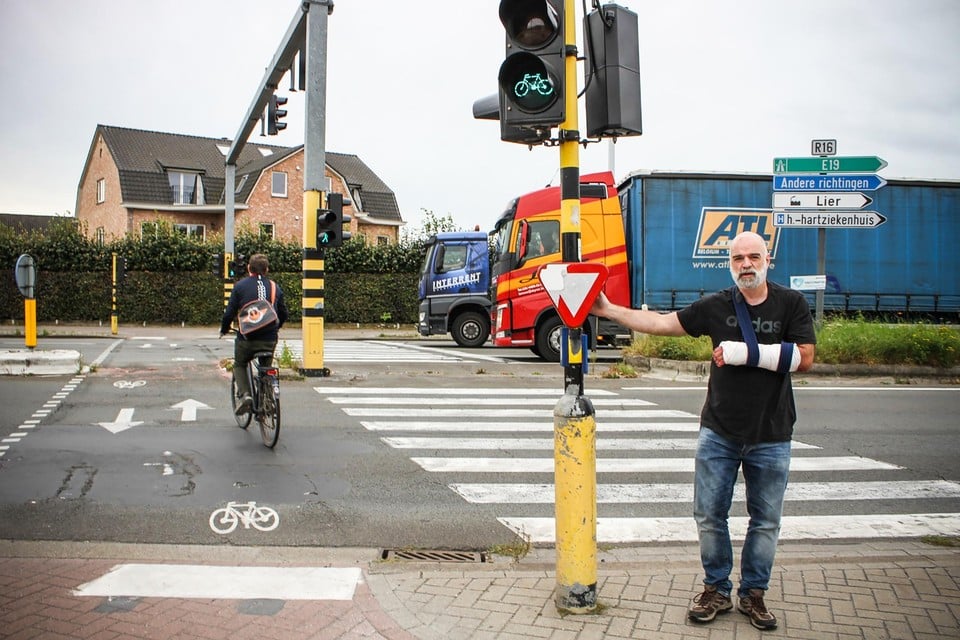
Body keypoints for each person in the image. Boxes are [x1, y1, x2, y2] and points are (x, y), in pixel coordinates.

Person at [590, 231, 816, 630]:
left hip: (772, 431)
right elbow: (660, 323)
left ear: (768, 260)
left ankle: (754, 594)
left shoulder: (791, 303)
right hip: (719, 431)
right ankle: (717, 589)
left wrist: (744, 353)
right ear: (730, 264)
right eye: (737, 258)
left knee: (765, 520)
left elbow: (805, 358)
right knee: (709, 515)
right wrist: (610, 310)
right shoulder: (716, 306)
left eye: (753, 256)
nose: (746, 264)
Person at [219, 253, 288, 415]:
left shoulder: (240, 286)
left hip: (247, 338)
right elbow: (283, 313)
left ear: (249, 268)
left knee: (240, 364)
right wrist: (276, 328)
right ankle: (268, 397)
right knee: (266, 367)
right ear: (267, 270)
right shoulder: (274, 287)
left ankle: (245, 395)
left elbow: (229, 313)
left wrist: (224, 329)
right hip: (269, 339)